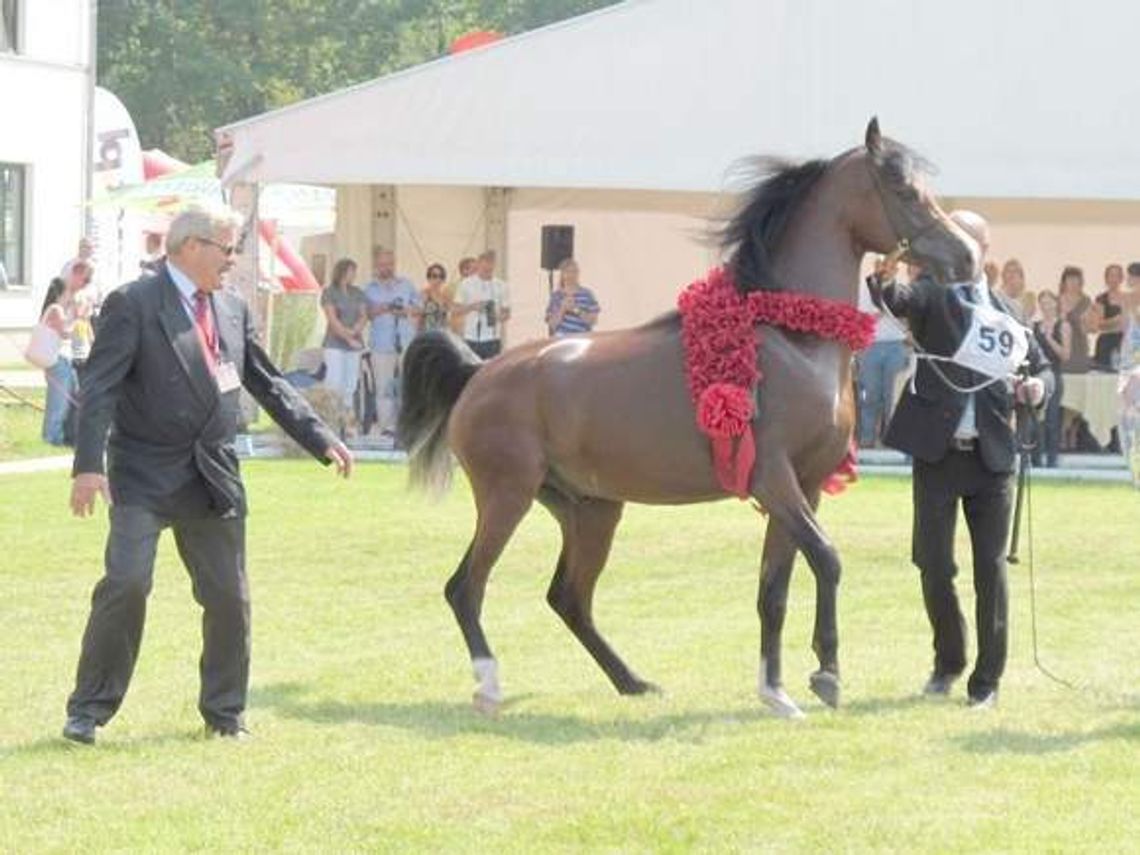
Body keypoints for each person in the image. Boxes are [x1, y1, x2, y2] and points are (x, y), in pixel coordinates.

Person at [61, 206, 353, 746]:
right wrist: (86, 467)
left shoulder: (233, 308)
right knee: (127, 583)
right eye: (228, 248)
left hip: (212, 473)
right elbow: (99, 388)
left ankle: (225, 713)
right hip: (145, 471)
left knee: (228, 597)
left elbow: (265, 380)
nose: (235, 261)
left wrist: (320, 436)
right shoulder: (134, 303)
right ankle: (88, 710)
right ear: (191, 246)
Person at [874, 210, 1053, 709]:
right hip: (937, 453)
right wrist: (885, 277)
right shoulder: (932, 294)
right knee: (932, 565)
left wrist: (1037, 388)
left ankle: (986, 682)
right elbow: (898, 299)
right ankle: (948, 660)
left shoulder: (1008, 313)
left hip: (993, 459)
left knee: (990, 571)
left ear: (984, 250)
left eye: (963, 239)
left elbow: (1040, 367)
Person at [362, 247, 418, 438]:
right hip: (381, 343)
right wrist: (384, 308)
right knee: (384, 386)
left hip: (405, 341)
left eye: (390, 264)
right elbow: (366, 314)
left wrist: (404, 310)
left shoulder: (407, 285)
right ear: (376, 266)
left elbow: (418, 310)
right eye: (383, 264)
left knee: (407, 385)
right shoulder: (369, 288)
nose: (387, 267)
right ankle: (387, 426)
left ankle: (407, 424)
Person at [856, 255, 911, 447]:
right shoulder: (864, 287)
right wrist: (884, 309)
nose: (885, 269)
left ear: (896, 268)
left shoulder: (904, 287)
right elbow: (863, 317)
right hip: (871, 346)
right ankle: (867, 438)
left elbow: (908, 317)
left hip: (897, 346)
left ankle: (891, 440)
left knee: (893, 398)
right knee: (870, 395)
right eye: (881, 265)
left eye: (890, 266)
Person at [37, 261, 91, 446]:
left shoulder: (61, 309)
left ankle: (68, 436)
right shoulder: (55, 310)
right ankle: (51, 437)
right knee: (58, 402)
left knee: (72, 397)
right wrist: (77, 317)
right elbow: (65, 332)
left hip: (64, 359)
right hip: (57, 360)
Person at [320, 257, 368, 435]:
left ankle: (347, 423)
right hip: (334, 344)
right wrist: (348, 338)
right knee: (334, 382)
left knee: (350, 385)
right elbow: (332, 320)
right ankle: (331, 421)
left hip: (354, 343)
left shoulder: (357, 292)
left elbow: (364, 315)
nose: (353, 275)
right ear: (342, 272)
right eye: (351, 271)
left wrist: (356, 329)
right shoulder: (329, 292)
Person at [1031, 290, 1070, 468]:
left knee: (1052, 419)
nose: (1046, 306)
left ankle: (1052, 460)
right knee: (1035, 420)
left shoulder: (1063, 325)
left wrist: (1048, 337)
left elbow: (1065, 355)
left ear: (1055, 303)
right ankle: (1036, 459)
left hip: (1054, 373)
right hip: (1037, 375)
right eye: (1042, 303)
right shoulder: (1034, 326)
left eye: (1049, 302)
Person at [454, 249, 511, 358]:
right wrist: (473, 307)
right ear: (479, 264)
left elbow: (507, 313)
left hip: (492, 338)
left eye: (491, 264)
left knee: (491, 372)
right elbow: (455, 310)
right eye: (485, 264)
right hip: (471, 337)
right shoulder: (466, 284)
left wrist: (497, 316)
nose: (488, 268)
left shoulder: (501, 286)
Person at [544, 257, 600, 337]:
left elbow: (593, 321)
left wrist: (575, 309)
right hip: (561, 338)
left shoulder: (587, 294)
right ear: (562, 274)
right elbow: (552, 325)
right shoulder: (556, 296)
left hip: (582, 337)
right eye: (568, 272)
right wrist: (563, 309)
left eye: (574, 271)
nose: (571, 275)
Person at [1090, 263, 1127, 370]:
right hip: (1107, 341)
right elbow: (1098, 325)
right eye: (1111, 275)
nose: (1114, 279)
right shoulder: (1101, 299)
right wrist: (1116, 320)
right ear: (1106, 278)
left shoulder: (1127, 298)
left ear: (1121, 278)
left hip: (1125, 342)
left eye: (1117, 276)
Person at [1058, 265, 1092, 373]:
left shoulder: (1086, 301)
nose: (1072, 283)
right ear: (1064, 282)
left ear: (1080, 282)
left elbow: (1089, 326)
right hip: (1060, 345)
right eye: (1069, 279)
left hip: (1079, 345)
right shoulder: (1056, 300)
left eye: (1076, 279)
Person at [417, 263, 453, 333]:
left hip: (442, 335)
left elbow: (449, 317)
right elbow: (418, 318)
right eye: (434, 276)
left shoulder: (445, 296)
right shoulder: (424, 295)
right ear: (429, 278)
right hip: (427, 334)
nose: (438, 279)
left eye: (441, 276)